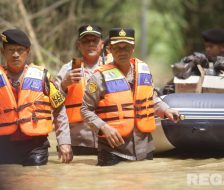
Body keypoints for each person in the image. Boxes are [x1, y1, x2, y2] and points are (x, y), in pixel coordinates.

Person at [81, 28, 180, 166]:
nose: (122, 52)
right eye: (117, 48)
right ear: (110, 49)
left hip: (145, 148)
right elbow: (85, 110)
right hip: (113, 151)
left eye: (126, 47)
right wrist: (103, 127)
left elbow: (150, 99)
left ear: (133, 48)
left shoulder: (143, 70)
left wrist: (166, 110)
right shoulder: (98, 77)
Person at [0, 29, 73, 166]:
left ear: (28, 51)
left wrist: (64, 142)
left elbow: (59, 110)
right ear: (3, 52)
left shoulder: (43, 78)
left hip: (35, 147)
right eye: (11, 50)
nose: (16, 55)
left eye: (20, 50)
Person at [55, 24, 104, 155]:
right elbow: (54, 105)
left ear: (102, 44)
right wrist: (64, 85)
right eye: (86, 41)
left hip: (107, 141)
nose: (90, 44)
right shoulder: (68, 69)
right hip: (78, 142)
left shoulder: (112, 69)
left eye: (94, 40)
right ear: (79, 45)